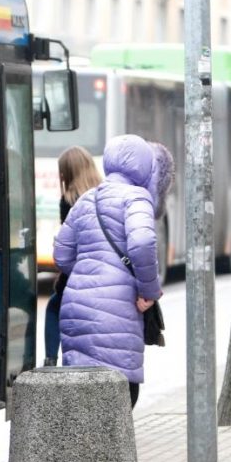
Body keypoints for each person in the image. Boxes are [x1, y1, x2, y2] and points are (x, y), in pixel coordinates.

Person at [53, 134, 171, 409]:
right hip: (118, 310)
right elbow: (142, 243)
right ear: (144, 167)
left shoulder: (86, 200)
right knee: (120, 398)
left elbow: (61, 254)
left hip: (76, 309)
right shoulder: (137, 198)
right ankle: (106, 454)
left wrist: (86, 273)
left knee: (83, 401)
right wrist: (149, 291)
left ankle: (84, 452)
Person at [43, 146, 103, 366]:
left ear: (67, 173)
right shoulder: (105, 193)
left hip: (80, 269)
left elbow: (68, 245)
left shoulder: (69, 199)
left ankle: (50, 358)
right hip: (107, 270)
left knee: (54, 306)